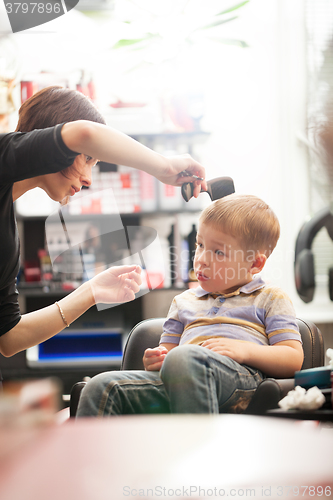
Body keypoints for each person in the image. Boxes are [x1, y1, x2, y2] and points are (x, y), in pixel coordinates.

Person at [0, 85, 206, 362]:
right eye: (87, 158)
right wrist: (164, 167)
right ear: (50, 144)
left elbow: (9, 338)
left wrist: (90, 292)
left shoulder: (8, 239)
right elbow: (86, 133)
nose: (88, 179)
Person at [76, 194, 304, 416]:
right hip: (178, 380)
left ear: (254, 263)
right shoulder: (183, 301)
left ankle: (197, 452)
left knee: (183, 358)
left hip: (241, 382)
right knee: (100, 387)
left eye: (218, 252)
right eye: (200, 245)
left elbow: (293, 358)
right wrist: (157, 359)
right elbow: (170, 356)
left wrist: (244, 350)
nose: (202, 258)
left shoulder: (270, 297)